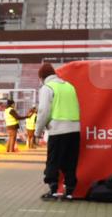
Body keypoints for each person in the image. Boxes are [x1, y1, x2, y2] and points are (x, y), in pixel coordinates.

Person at [34, 62, 81, 200]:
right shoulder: (69, 86)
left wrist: (38, 132)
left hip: (58, 130)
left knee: (53, 161)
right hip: (74, 130)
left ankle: (53, 191)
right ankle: (70, 192)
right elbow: (77, 107)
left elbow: (43, 111)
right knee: (70, 162)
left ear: (42, 77)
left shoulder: (47, 88)